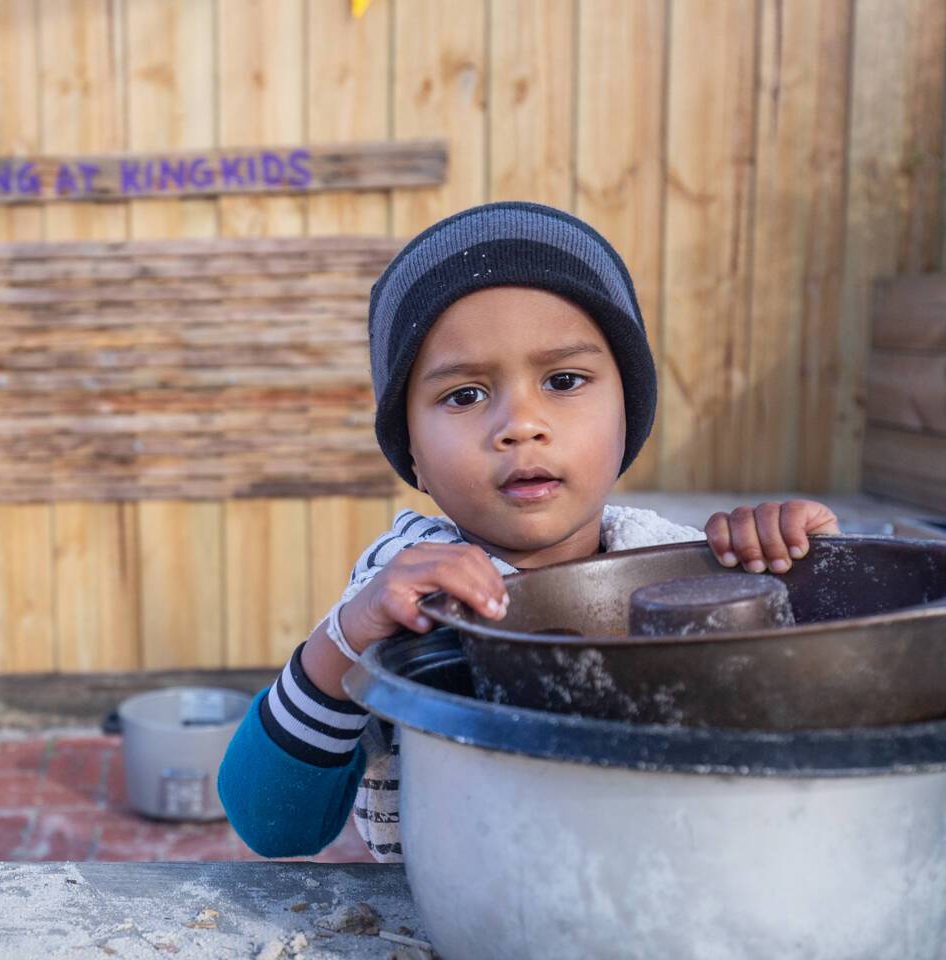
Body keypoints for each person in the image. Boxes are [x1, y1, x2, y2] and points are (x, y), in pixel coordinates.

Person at [216, 201, 840, 859]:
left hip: (669, 915)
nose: (521, 424)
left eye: (563, 381)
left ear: (629, 414)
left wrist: (809, 576)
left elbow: (809, 736)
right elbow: (272, 825)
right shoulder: (404, 594)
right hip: (453, 937)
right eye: (464, 395)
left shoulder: (680, 565)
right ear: (414, 457)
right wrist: (342, 640)